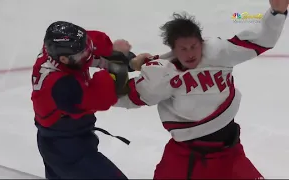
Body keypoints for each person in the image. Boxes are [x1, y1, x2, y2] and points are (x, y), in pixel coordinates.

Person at [114, 0, 288, 179]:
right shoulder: (161, 74)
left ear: (202, 43)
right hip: (186, 157)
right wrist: (108, 71)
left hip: (229, 152)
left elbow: (260, 41)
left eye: (194, 46)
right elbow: (123, 96)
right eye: (183, 49)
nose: (190, 53)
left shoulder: (219, 53)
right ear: (173, 50)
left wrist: (277, 14)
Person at [31, 21, 137, 179]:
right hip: (66, 148)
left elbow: (92, 40)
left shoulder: (57, 48)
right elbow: (102, 97)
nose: (88, 53)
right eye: (83, 53)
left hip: (61, 138)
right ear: (65, 59)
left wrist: (111, 50)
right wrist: (117, 62)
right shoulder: (62, 87)